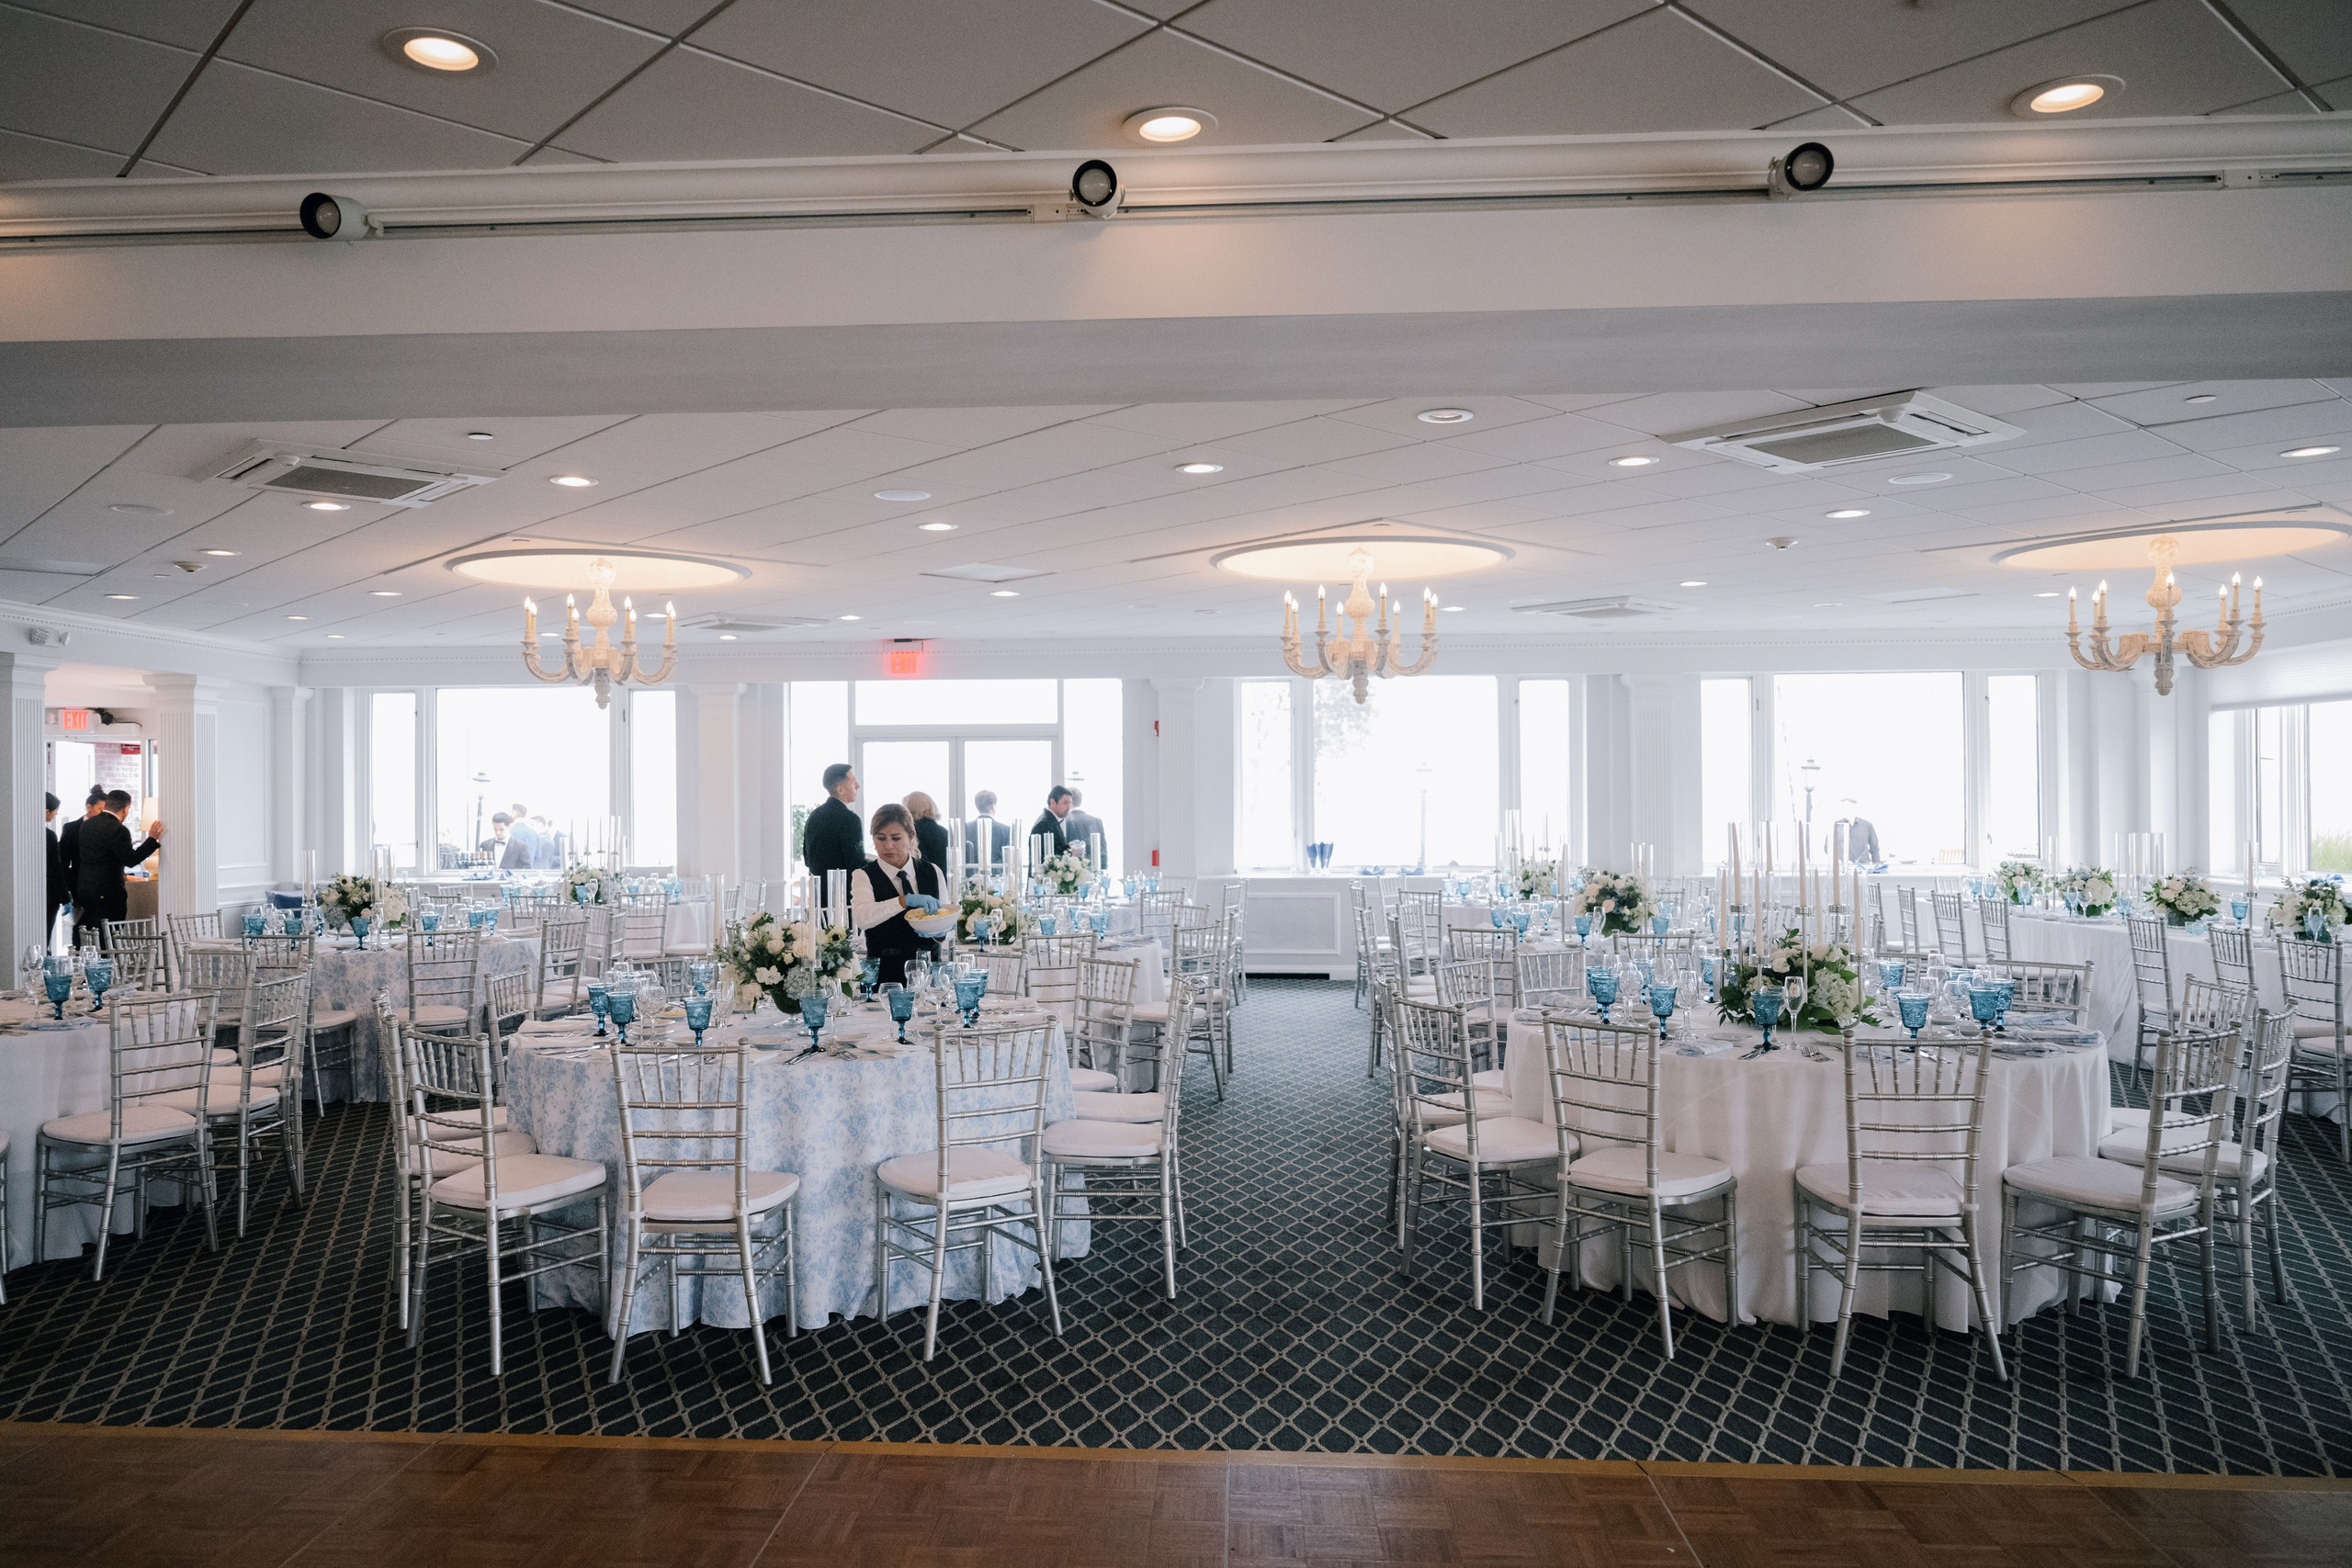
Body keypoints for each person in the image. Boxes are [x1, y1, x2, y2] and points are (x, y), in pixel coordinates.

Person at [852, 804, 945, 985]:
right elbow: (862, 917)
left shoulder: (933, 871)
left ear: (911, 838)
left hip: (930, 976)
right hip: (886, 979)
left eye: (896, 838)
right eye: (881, 838)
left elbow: (947, 923)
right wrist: (903, 901)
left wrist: (940, 932)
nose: (888, 846)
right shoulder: (863, 875)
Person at [72, 790, 163, 946]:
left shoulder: (86, 825)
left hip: (85, 889)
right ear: (126, 808)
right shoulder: (118, 829)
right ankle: (107, 969)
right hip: (108, 892)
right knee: (109, 938)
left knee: (92, 935)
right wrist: (152, 839)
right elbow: (131, 859)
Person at [802, 762, 865, 886]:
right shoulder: (850, 819)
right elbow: (856, 864)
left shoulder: (814, 816)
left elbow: (807, 858)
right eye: (853, 782)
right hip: (843, 894)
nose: (858, 786)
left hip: (818, 893)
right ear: (840, 789)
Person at [54, 787, 104, 932]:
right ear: (90, 807)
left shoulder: (107, 829)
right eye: (101, 810)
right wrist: (67, 890)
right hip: (79, 887)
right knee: (80, 928)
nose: (104, 814)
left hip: (102, 887)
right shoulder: (71, 828)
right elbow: (63, 861)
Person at [965, 788, 1012, 874]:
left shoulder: (965, 828)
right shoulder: (1005, 830)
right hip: (996, 880)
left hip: (969, 881)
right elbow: (1008, 861)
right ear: (993, 805)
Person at [903, 791, 950, 872]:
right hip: (945, 880)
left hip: (926, 879)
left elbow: (917, 862)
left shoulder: (912, 831)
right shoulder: (944, 831)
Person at [1063, 787, 1106, 866]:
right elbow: (1103, 853)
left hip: (1074, 872)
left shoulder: (1065, 822)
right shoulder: (1097, 821)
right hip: (1095, 869)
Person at [44, 791, 64, 942]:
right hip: (49, 895)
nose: (55, 815)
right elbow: (55, 869)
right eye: (55, 812)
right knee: (45, 937)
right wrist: (65, 897)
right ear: (46, 812)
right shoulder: (49, 836)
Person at [1030, 785, 1073, 858]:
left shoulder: (1049, 820)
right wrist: (1069, 850)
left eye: (1070, 803)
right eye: (1065, 803)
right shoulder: (1044, 824)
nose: (1069, 807)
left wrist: (1068, 847)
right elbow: (1046, 858)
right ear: (1053, 802)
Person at [1838, 798, 1883, 866]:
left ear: (1852, 808)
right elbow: (1827, 847)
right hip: (1845, 868)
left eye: (1844, 807)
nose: (1841, 810)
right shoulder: (1836, 827)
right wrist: (1842, 858)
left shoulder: (1867, 825)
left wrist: (1877, 868)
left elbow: (1875, 848)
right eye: (1841, 808)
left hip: (1864, 868)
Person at [504, 803, 545, 870]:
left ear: (513, 814)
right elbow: (538, 856)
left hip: (513, 874)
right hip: (530, 874)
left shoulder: (509, 832)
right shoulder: (535, 834)